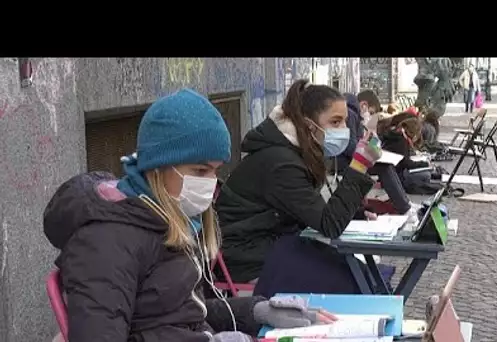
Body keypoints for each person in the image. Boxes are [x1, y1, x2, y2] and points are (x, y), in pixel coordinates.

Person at [43, 88, 336, 342]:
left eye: (215, 171)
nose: (210, 184)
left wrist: (258, 311)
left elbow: (190, 311)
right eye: (199, 171)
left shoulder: (166, 218)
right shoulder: (107, 242)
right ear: (159, 165)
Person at [215, 79, 382, 297]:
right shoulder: (281, 163)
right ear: (308, 125)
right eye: (335, 122)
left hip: (271, 245)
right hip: (249, 260)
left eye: (345, 122)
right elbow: (329, 224)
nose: (344, 130)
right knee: (350, 281)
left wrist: (356, 212)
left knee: (356, 272)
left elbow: (305, 206)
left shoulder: (295, 153)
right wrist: (359, 165)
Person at [335, 91, 411, 214]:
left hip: (347, 158)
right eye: (370, 113)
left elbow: (358, 142)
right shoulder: (350, 114)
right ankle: (403, 206)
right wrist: (368, 151)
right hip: (344, 161)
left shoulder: (353, 115)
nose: (369, 116)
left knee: (385, 165)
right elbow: (351, 145)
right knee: (384, 167)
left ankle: (404, 203)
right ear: (363, 105)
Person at [378, 112, 441, 195]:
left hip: (389, 174)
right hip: (398, 176)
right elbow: (406, 163)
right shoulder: (402, 141)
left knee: (427, 173)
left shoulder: (394, 135)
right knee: (426, 175)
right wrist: (424, 164)